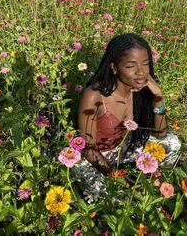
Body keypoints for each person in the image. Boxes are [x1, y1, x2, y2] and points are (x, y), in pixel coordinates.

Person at [74, 33, 181, 203]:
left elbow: (160, 134)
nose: (141, 72)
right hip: (97, 159)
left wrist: (159, 98)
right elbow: (88, 149)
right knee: (125, 202)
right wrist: (122, 180)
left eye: (145, 64)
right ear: (114, 67)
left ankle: (153, 178)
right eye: (131, 65)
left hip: (126, 148)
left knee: (173, 143)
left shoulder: (141, 88)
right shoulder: (94, 96)